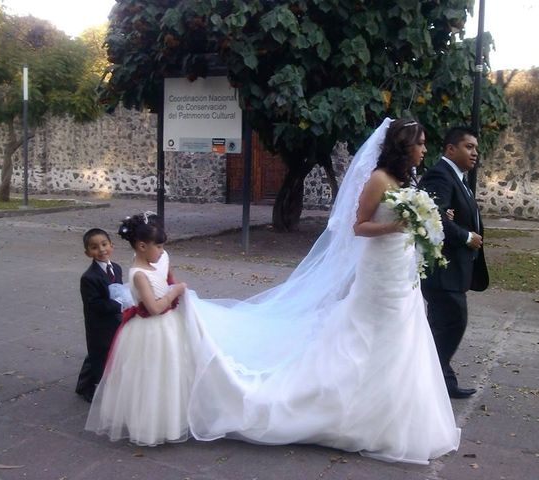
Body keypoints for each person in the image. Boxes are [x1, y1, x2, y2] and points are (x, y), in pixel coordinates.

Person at [186, 118, 461, 464]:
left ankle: (392, 418)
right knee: (370, 336)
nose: (424, 149)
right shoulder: (378, 179)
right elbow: (358, 226)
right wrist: (396, 225)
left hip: (401, 268)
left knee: (404, 337)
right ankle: (339, 411)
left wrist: (425, 222)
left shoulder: (407, 179)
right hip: (379, 272)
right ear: (403, 146)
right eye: (419, 143)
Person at [85, 213, 196, 446]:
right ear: (142, 246)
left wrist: (172, 283)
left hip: (168, 327)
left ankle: (174, 419)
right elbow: (154, 307)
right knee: (150, 376)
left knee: (172, 371)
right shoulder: (139, 275)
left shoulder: (159, 258)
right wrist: (175, 291)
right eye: (158, 246)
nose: (162, 250)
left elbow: (167, 274)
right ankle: (148, 425)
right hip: (150, 331)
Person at [418, 126, 488, 399]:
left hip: (454, 269)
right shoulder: (440, 175)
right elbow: (433, 218)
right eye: (469, 147)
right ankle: (432, 376)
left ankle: (439, 379)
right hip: (442, 269)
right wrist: (466, 236)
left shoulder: (457, 177)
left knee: (443, 324)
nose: (475, 153)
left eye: (476, 149)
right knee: (453, 322)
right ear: (451, 149)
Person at [75, 228, 123, 403]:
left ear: (112, 245)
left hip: (114, 319)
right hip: (98, 323)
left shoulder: (116, 268)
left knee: (98, 353)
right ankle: (90, 388)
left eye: (104, 244)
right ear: (88, 253)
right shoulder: (89, 277)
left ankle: (82, 384)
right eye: (95, 247)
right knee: (98, 354)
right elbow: (95, 304)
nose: (101, 250)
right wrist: (119, 304)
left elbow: (118, 290)